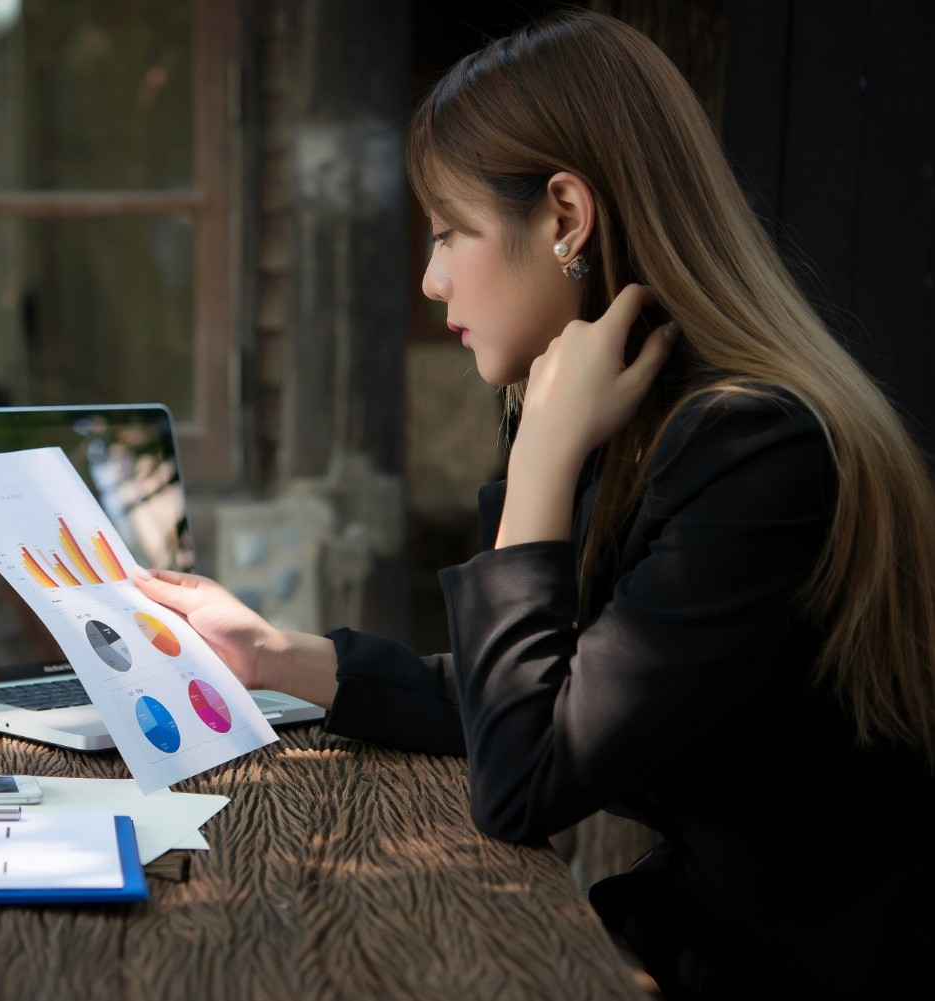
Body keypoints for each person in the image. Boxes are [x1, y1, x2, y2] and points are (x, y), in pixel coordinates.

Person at [134, 12, 935, 999]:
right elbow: (553, 689)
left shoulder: (756, 456)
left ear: (563, 215)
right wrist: (280, 655)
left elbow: (525, 776)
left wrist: (545, 455)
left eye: (446, 232)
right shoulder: (652, 427)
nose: (430, 281)